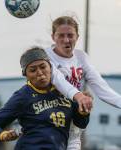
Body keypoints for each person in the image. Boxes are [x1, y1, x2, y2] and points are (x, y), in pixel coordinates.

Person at [0, 47, 90, 150]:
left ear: (51, 68)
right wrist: (2, 135)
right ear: (26, 75)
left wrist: (84, 111)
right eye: (33, 70)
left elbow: (81, 124)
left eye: (43, 67)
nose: (39, 72)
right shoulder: (23, 96)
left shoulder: (66, 90)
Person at [44, 15, 121, 150]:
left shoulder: (81, 57)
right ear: (53, 37)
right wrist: (79, 95)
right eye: (61, 35)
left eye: (70, 35)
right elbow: (58, 80)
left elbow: (101, 87)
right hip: (48, 123)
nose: (66, 40)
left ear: (77, 37)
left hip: (72, 126)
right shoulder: (45, 56)